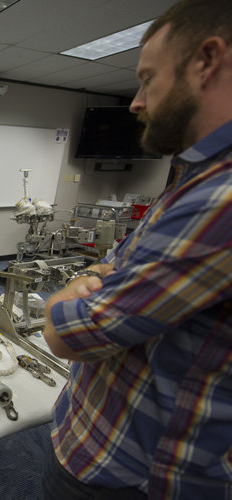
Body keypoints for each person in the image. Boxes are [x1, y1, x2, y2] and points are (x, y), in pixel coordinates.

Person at [41, 0, 232, 498]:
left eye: (147, 79)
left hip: (126, 473)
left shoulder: (220, 199)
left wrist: (66, 296)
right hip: (110, 444)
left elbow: (69, 334)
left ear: (207, 60)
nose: (135, 101)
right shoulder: (195, 182)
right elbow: (116, 260)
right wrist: (100, 278)